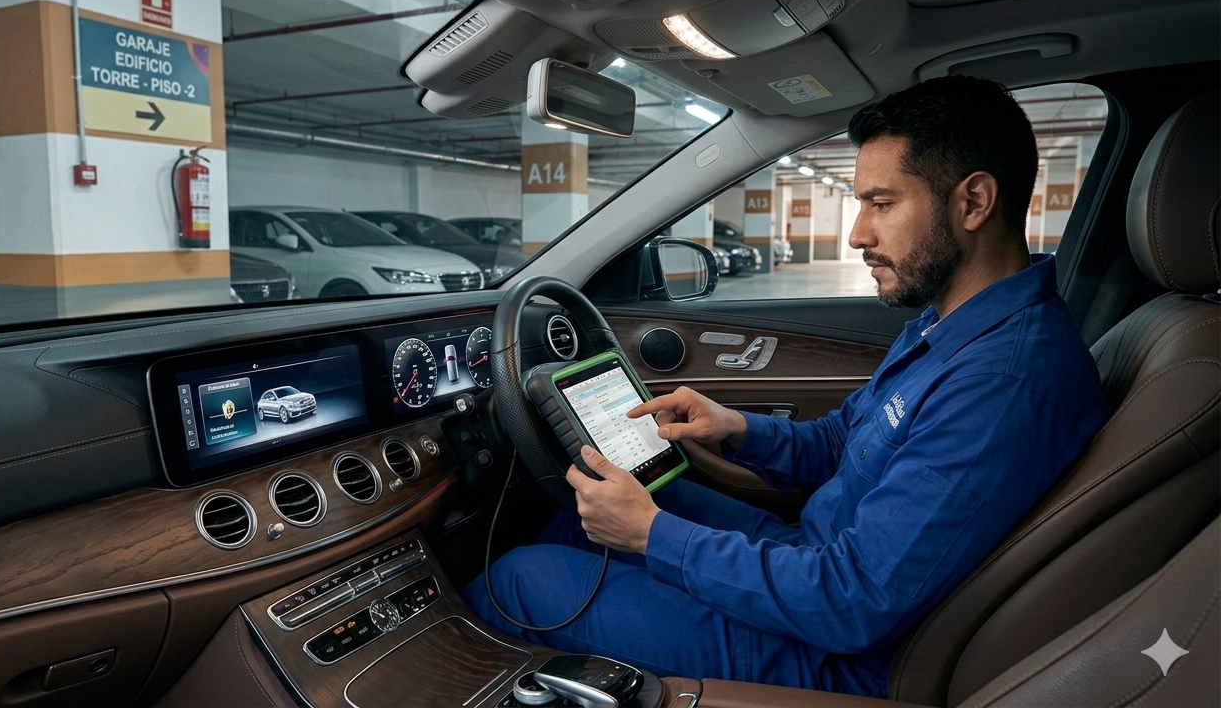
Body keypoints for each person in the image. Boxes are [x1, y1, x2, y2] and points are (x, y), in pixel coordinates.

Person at [463, 75, 1112, 697]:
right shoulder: (951, 327)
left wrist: (651, 535)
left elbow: (854, 599)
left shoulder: (1002, 384)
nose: (858, 233)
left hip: (835, 651)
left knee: (517, 582)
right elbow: (843, 441)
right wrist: (737, 427)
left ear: (973, 202)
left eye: (881, 204)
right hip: (812, 557)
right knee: (580, 518)